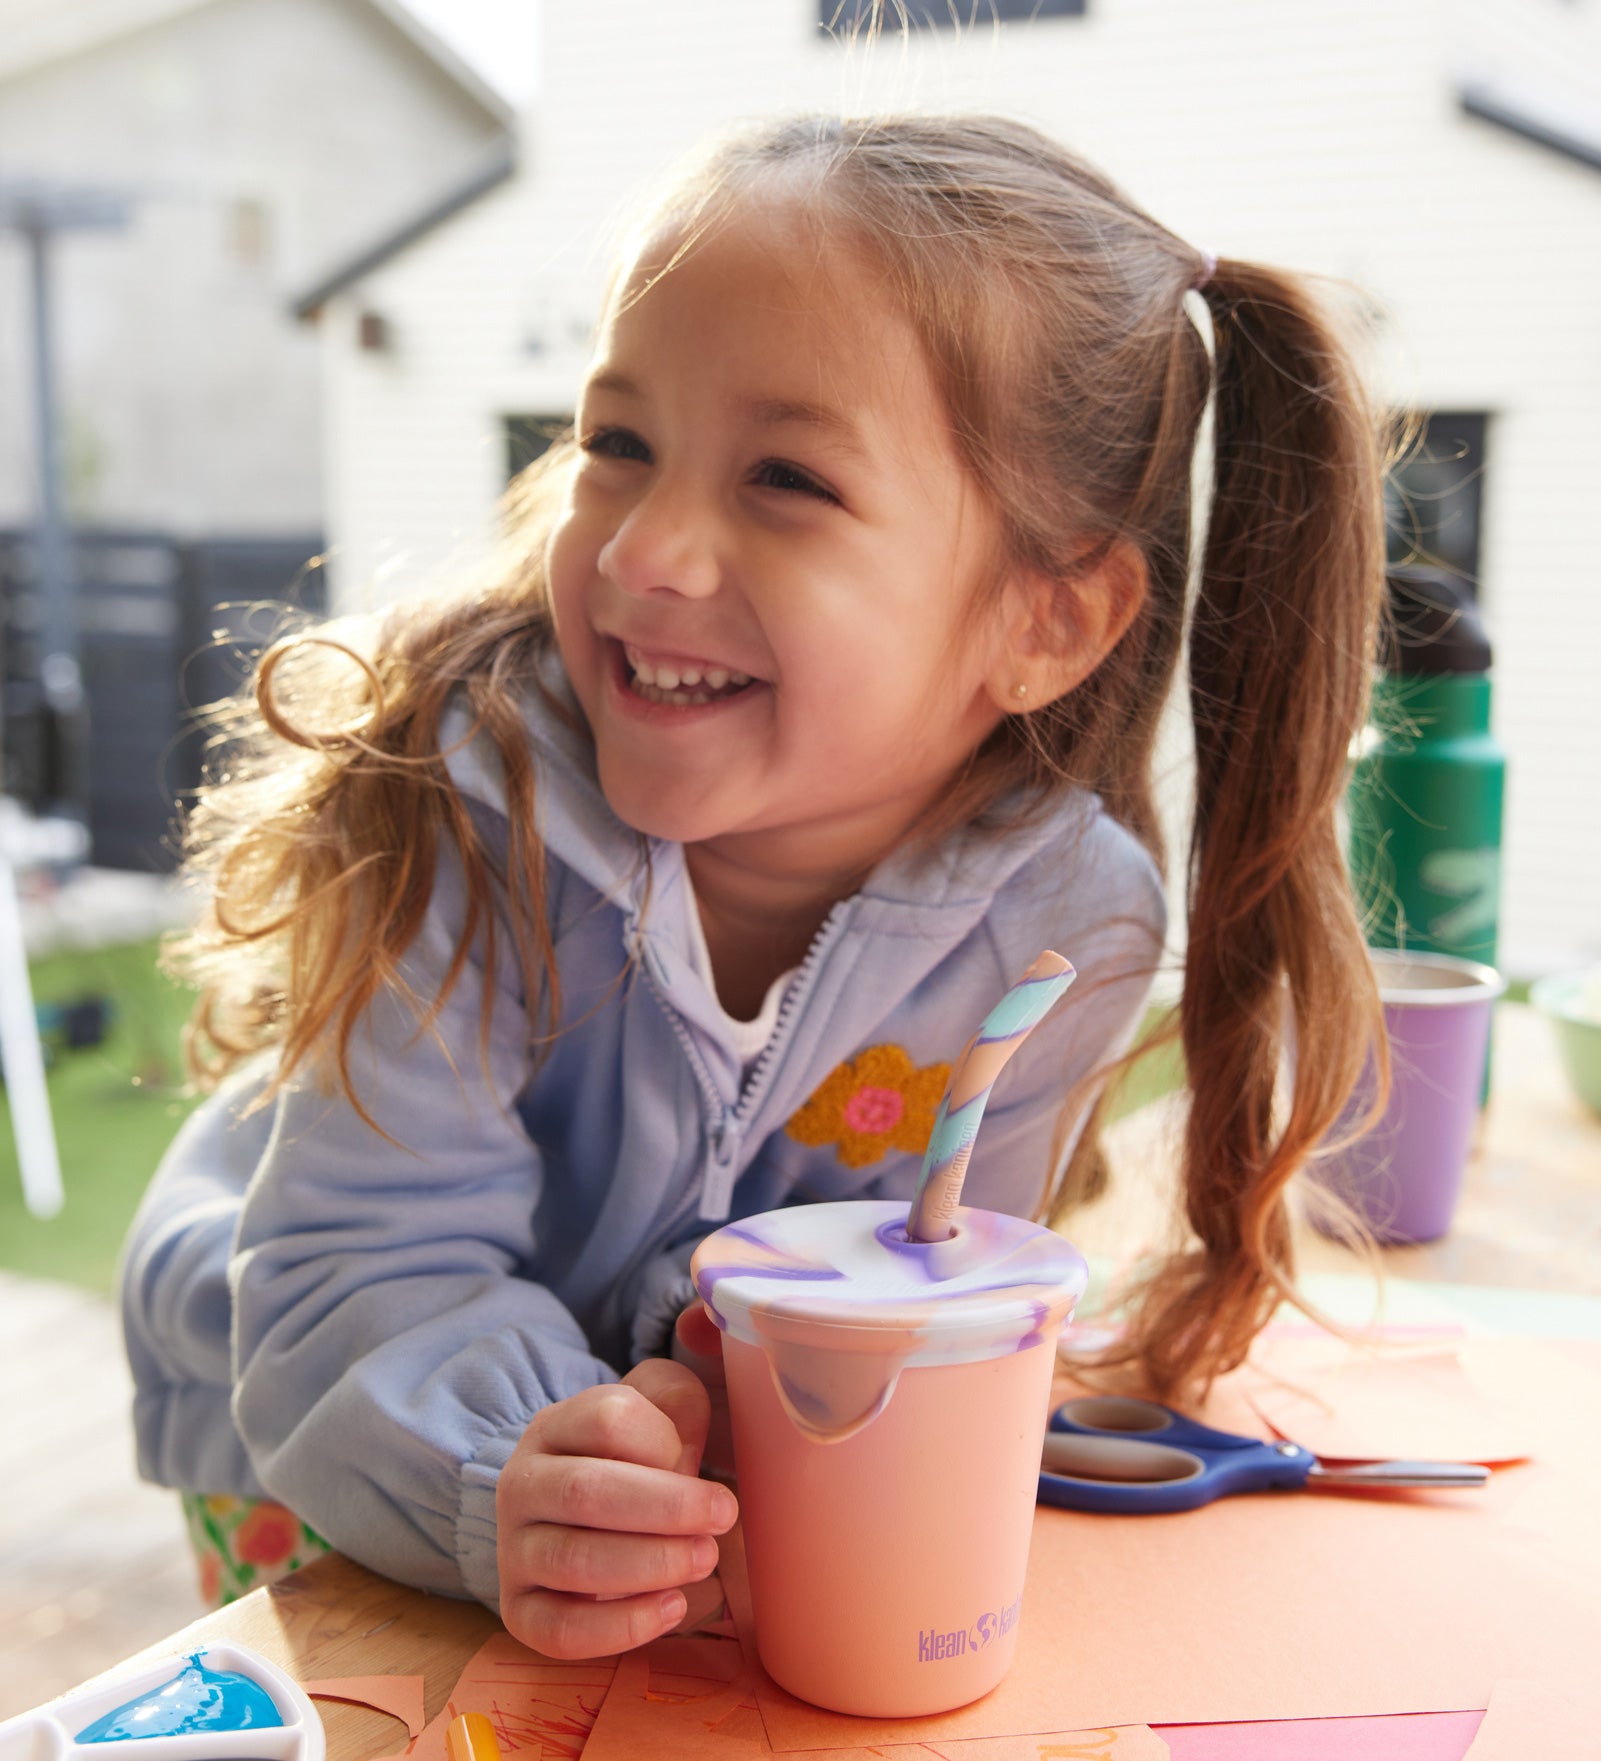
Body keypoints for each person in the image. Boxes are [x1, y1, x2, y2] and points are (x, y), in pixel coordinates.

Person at [119, 112, 1385, 1657]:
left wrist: (764, 1413)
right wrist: (505, 1469)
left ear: (1044, 622)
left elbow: (931, 1278)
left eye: (784, 477)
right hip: (338, 1429)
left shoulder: (1062, 932)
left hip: (672, 1499)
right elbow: (357, 1268)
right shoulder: (473, 803)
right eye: (616, 444)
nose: (647, 547)